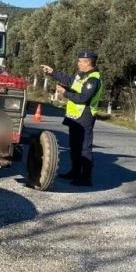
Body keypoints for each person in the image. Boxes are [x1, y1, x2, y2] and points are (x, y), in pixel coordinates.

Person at [40, 50, 104, 187]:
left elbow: (83, 98)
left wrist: (65, 93)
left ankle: (86, 178)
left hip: (84, 116)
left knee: (84, 148)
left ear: (88, 63)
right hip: (74, 116)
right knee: (74, 146)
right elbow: (70, 80)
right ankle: (74, 172)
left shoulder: (93, 79)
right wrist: (52, 72)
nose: (78, 63)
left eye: (80, 61)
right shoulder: (81, 75)